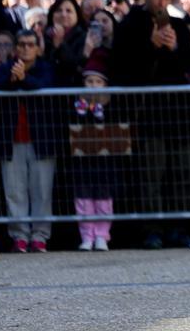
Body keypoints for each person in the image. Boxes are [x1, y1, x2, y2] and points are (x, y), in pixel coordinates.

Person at [110, 0, 190, 250]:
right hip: (147, 114)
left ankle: (178, 226)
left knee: (183, 171)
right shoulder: (129, 25)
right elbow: (123, 68)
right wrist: (150, 47)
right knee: (151, 173)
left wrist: (173, 48)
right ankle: (152, 228)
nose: (161, 2)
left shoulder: (178, 25)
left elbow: (189, 63)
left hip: (179, 115)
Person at [0, 30, 57, 253]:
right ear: (16, 48)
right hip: (11, 140)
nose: (26, 48)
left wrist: (24, 79)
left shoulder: (45, 68)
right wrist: (13, 78)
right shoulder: (5, 69)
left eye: (30, 44)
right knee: (14, 191)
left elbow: (46, 87)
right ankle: (19, 235)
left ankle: (39, 236)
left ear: (38, 48)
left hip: (41, 140)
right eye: (22, 44)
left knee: (42, 190)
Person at [69, 60, 119, 251]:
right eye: (89, 81)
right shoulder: (77, 105)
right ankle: (87, 235)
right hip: (82, 160)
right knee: (83, 198)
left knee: (103, 197)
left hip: (104, 160)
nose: (93, 85)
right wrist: (81, 112)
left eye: (97, 82)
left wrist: (101, 113)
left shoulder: (111, 106)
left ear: (105, 85)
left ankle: (102, 235)